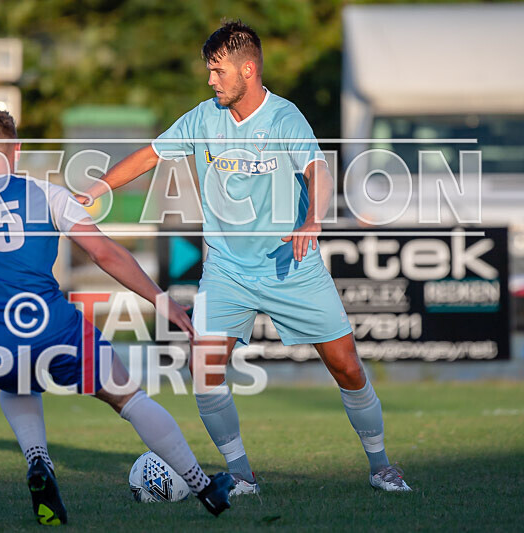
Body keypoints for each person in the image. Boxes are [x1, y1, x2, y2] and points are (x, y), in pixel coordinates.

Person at [75, 21, 411, 494]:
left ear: (247, 70)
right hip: (227, 270)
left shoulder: (285, 118)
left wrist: (311, 218)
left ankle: (381, 466)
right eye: (209, 71)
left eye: (218, 71)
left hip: (291, 265)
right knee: (203, 367)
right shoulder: (202, 118)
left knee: (347, 366)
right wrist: (98, 188)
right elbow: (152, 155)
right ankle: (240, 475)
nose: (211, 80)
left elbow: (318, 169)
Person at [0, 107, 235, 526]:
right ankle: (204, 487)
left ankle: (38, 461)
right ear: (15, 150)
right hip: (50, 328)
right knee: (128, 396)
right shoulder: (44, 193)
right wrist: (161, 300)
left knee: (14, 379)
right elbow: (103, 252)